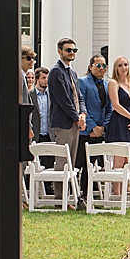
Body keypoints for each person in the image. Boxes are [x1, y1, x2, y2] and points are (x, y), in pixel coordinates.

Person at [48, 38, 85, 184]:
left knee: (72, 160)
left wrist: (83, 114)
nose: (71, 53)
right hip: (64, 122)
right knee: (63, 160)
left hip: (75, 121)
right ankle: (59, 197)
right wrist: (77, 117)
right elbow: (63, 100)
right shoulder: (56, 72)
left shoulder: (73, 73)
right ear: (59, 51)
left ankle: (68, 195)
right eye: (68, 50)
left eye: (74, 50)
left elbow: (79, 96)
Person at [78, 54, 113, 198]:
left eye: (104, 65)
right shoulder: (83, 82)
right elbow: (82, 105)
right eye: (98, 65)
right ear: (90, 66)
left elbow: (109, 108)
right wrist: (93, 127)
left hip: (99, 132)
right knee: (80, 163)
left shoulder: (107, 84)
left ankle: (90, 192)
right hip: (86, 131)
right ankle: (76, 192)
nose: (101, 68)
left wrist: (103, 127)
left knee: (92, 164)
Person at [107, 57, 130, 143]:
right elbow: (116, 106)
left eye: (125, 65)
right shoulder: (113, 83)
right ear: (116, 68)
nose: (123, 68)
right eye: (120, 65)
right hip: (119, 121)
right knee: (121, 154)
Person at [32, 67, 52, 142]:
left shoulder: (52, 95)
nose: (46, 80)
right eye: (43, 78)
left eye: (47, 77)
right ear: (37, 79)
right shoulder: (30, 94)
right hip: (35, 136)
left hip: (50, 136)